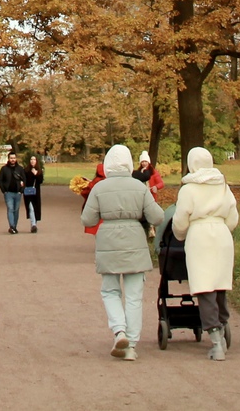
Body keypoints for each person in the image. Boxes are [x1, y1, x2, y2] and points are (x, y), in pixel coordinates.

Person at [80, 144, 164, 361]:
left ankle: (119, 332)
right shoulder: (139, 187)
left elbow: (87, 219)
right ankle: (132, 344)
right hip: (135, 240)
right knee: (135, 295)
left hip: (108, 241)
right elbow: (157, 217)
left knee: (110, 291)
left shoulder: (99, 188)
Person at [171, 146, 239, 361]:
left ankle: (216, 339)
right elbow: (233, 218)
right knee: (220, 284)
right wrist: (220, 228)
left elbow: (180, 220)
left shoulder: (189, 189)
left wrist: (180, 235)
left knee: (204, 286)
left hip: (199, 236)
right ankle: (223, 321)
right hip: (221, 234)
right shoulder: (223, 186)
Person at [0, 152, 27, 233]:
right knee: (10, 209)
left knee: (16, 210)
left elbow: (24, 180)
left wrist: (21, 191)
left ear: (16, 159)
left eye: (14, 158)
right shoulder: (4, 169)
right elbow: (0, 180)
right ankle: (12, 226)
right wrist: (4, 191)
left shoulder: (20, 169)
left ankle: (14, 227)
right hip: (8, 193)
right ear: (8, 159)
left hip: (18, 193)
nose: (12, 159)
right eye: (11, 158)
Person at [21, 154, 44, 232]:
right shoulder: (26, 170)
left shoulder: (39, 171)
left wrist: (36, 174)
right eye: (31, 159)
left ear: (36, 161)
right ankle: (33, 225)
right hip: (27, 192)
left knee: (35, 208)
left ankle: (34, 225)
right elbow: (23, 179)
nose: (32, 161)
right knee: (30, 208)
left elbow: (40, 181)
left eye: (34, 159)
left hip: (35, 192)